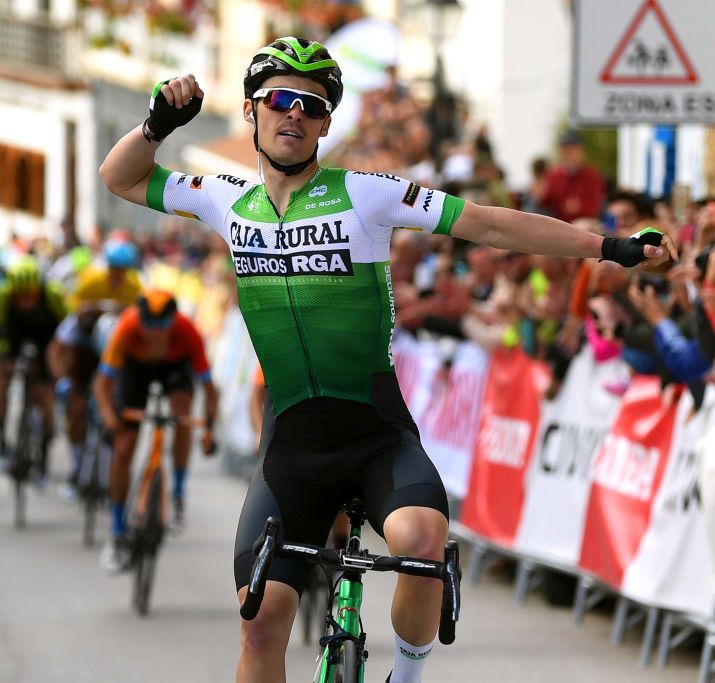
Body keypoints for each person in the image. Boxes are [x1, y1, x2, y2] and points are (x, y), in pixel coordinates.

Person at [96, 37, 675, 683]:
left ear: (327, 124)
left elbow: (487, 224)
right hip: (293, 449)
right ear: (252, 110)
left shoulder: (366, 193)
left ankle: (407, 674)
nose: (295, 114)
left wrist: (612, 245)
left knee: (423, 541)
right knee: (260, 624)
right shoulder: (222, 198)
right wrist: (157, 125)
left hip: (375, 434)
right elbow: (119, 177)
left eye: (313, 108)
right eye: (281, 100)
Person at [93, 290, 217, 572]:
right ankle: (116, 532)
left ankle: (178, 492)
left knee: (182, 415)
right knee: (123, 446)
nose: (157, 336)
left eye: (164, 329)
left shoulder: (187, 331)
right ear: (141, 321)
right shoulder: (127, 327)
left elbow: (210, 390)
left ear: (173, 322)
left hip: (175, 368)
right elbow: (102, 385)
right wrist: (109, 418)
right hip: (135, 370)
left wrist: (208, 428)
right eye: (151, 328)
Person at [50, 238, 143, 498]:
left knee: (113, 410)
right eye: (114, 269)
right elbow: (72, 321)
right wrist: (64, 375)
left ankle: (106, 473)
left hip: (115, 351)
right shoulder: (90, 281)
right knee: (77, 408)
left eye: (123, 271)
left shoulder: (135, 287)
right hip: (86, 346)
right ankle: (75, 467)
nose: (118, 276)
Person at [0, 257, 66, 480]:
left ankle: (44, 451)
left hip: (47, 339)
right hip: (14, 337)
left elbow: (67, 332)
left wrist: (57, 366)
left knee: (45, 395)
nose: (26, 302)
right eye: (21, 297)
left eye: (31, 295)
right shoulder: (4, 297)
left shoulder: (53, 296)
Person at [541, 130, 606, 223]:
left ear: (581, 152)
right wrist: (539, 195)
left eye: (572, 150)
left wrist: (580, 206)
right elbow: (545, 205)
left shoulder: (593, 176)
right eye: (565, 151)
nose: (569, 155)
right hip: (558, 227)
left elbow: (597, 207)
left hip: (585, 229)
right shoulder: (553, 175)